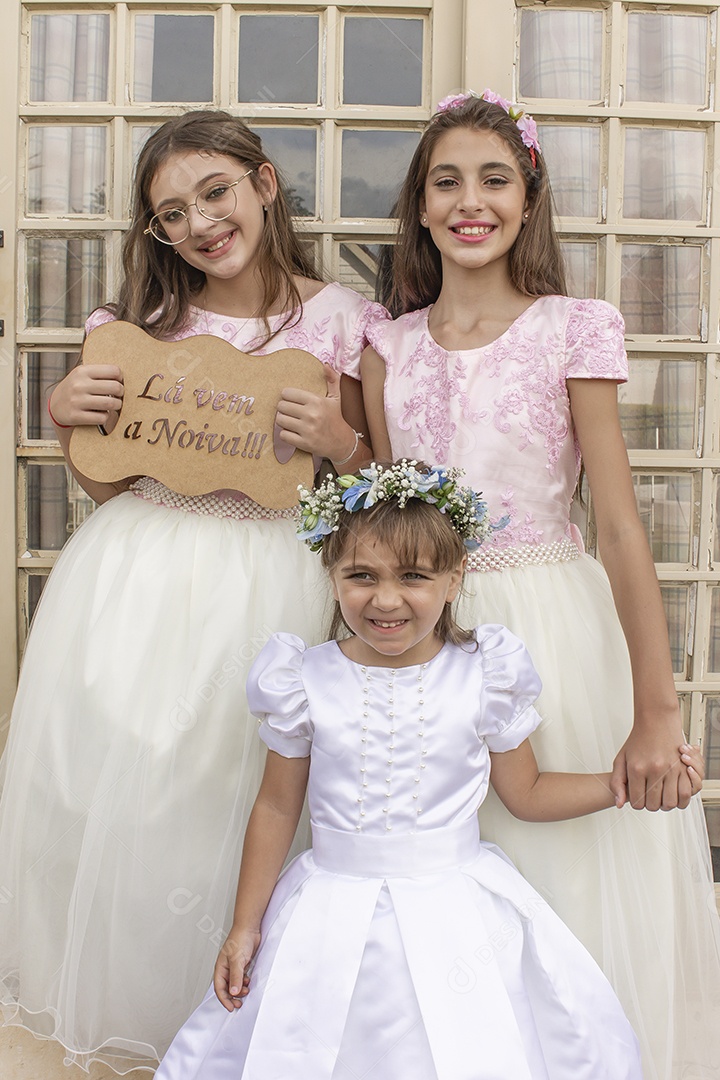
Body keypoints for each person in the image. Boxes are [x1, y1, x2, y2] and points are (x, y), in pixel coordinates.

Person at [0, 110, 387, 1072]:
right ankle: (130, 1015)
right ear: (159, 233)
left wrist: (341, 445)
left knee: (240, 789)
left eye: (215, 192)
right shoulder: (138, 331)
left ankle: (238, 1020)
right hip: (139, 574)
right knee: (131, 792)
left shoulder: (337, 320)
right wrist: (68, 421)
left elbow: (366, 492)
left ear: (262, 181)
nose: (202, 223)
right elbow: (105, 479)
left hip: (269, 577)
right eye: (173, 213)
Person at [360, 90, 720, 1078]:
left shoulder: (572, 329)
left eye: (494, 178)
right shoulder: (387, 348)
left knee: (562, 879)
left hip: (555, 633)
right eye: (446, 181)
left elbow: (616, 525)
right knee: (442, 885)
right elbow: (391, 533)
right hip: (431, 640)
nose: (470, 200)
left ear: (529, 197)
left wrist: (658, 714)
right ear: (421, 206)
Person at [154, 461, 704, 1080]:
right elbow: (278, 807)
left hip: (456, 911)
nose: (386, 599)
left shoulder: (485, 675)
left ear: (453, 578)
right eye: (361, 576)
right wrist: (244, 926)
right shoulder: (302, 679)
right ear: (332, 577)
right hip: (327, 910)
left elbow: (526, 792)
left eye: (413, 576)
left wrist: (622, 785)